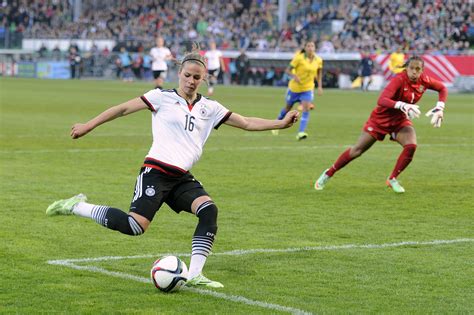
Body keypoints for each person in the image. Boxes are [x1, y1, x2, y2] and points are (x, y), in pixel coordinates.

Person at [45, 46, 299, 288]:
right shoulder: (161, 97)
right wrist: (89, 125)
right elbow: (122, 109)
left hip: (181, 177)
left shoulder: (210, 108)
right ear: (179, 74)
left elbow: (246, 122)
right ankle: (76, 206)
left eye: (196, 77)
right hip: (156, 171)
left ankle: (197, 274)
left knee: (209, 211)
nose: (190, 80)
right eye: (187, 75)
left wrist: (280, 123)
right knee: (135, 227)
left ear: (203, 79)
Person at [314, 56, 448, 193]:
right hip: (380, 119)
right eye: (412, 68)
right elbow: (382, 100)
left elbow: (442, 88)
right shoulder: (399, 79)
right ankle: (328, 173)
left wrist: (440, 108)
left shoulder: (424, 81)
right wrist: (403, 105)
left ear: (422, 70)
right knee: (357, 151)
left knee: (411, 146)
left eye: (418, 69)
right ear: (407, 68)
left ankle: (392, 178)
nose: (414, 72)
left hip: (399, 120)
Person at [272, 41, 323, 140]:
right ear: (305, 47)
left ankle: (301, 132)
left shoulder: (318, 60)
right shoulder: (299, 58)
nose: (310, 48)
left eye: (312, 46)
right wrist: (294, 76)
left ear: (315, 48)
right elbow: (288, 70)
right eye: (308, 46)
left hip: (307, 88)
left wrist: (320, 86)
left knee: (306, 109)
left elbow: (319, 74)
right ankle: (276, 123)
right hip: (295, 88)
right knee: (288, 108)